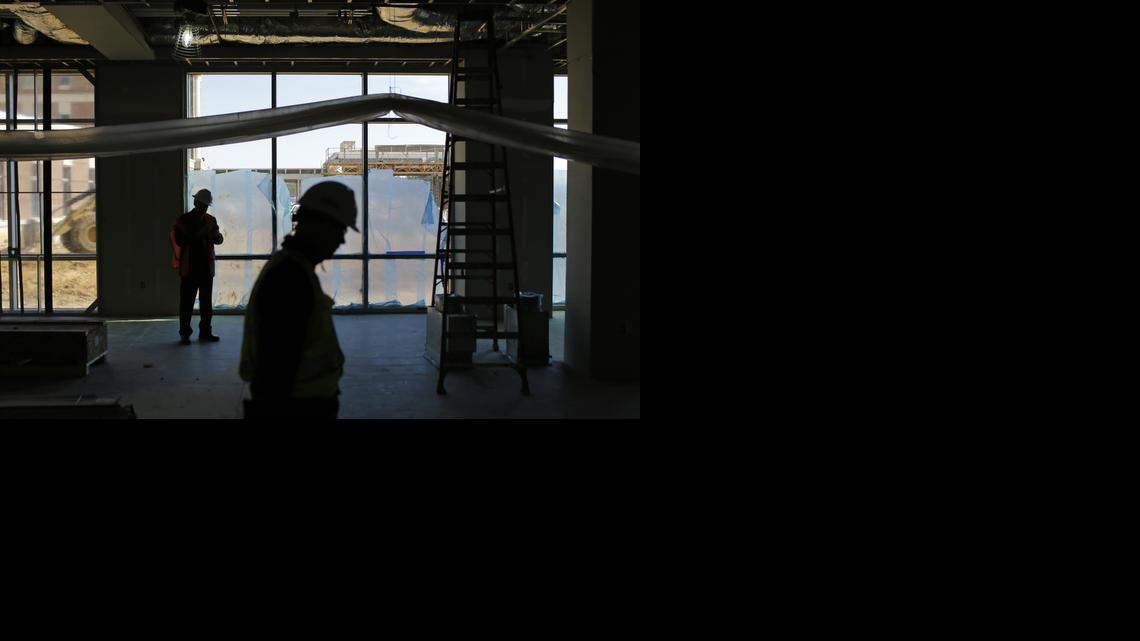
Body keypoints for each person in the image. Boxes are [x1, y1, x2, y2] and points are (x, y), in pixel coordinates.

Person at [239, 181, 358, 419]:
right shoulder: (290, 279)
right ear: (319, 225)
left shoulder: (295, 268)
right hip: (298, 406)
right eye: (340, 230)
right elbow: (275, 369)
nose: (342, 241)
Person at [171, 188, 224, 344]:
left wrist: (216, 236)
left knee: (206, 303)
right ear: (195, 203)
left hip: (206, 268)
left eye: (206, 205)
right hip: (190, 267)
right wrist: (199, 234)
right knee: (187, 302)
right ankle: (185, 333)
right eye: (202, 204)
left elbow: (219, 240)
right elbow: (180, 241)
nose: (204, 208)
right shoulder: (184, 220)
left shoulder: (211, 220)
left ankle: (205, 332)